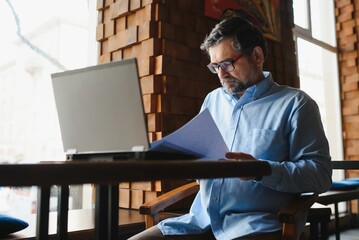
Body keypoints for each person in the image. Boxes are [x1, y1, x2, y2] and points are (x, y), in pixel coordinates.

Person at [129, 16, 332, 240]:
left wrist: (262, 171)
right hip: (199, 221)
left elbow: (320, 175)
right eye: (215, 66)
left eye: (227, 64)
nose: (221, 74)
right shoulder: (212, 100)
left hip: (255, 226)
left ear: (257, 56)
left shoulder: (296, 104)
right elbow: (202, 158)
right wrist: (186, 164)